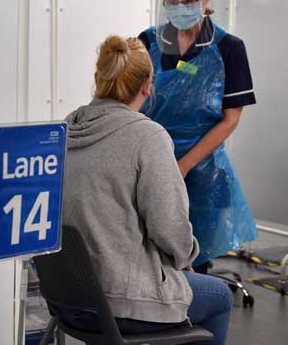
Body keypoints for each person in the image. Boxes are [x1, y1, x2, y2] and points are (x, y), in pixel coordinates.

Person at [51, 36, 232, 344]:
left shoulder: (64, 130)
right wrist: (186, 255)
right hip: (120, 304)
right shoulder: (148, 137)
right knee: (220, 296)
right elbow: (170, 229)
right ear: (148, 85)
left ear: (99, 80)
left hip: (65, 298)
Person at [139, 0, 257, 274]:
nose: (181, 8)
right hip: (150, 160)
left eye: (188, 0)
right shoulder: (148, 42)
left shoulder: (228, 48)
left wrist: (184, 164)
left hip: (203, 170)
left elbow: (231, 118)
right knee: (148, 256)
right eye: (173, 2)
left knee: (194, 260)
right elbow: (131, 104)